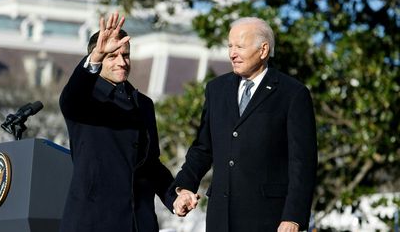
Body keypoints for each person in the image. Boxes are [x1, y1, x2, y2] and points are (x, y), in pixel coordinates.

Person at [171, 17, 318, 232]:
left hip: (270, 219)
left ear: (263, 50)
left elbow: (302, 163)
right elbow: (202, 148)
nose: (232, 53)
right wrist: (183, 187)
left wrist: (293, 218)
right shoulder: (216, 89)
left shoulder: (292, 94)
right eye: (230, 46)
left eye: (239, 46)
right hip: (220, 218)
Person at [59, 12, 175, 232]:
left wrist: (174, 198)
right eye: (112, 56)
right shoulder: (85, 99)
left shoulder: (144, 104)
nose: (122, 63)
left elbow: (150, 165)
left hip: (138, 223)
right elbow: (71, 97)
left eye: (126, 55)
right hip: (93, 222)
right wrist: (95, 57)